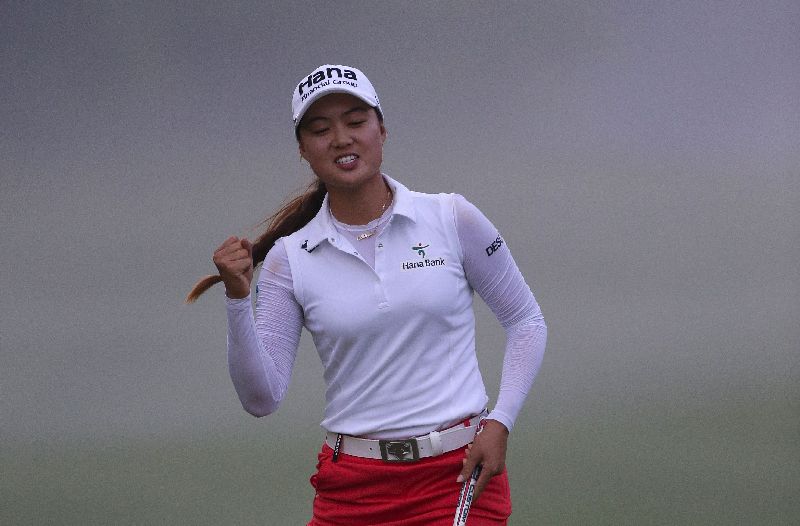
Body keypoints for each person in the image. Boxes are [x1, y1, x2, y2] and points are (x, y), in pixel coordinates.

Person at [187, 64, 547, 526]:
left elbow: (526, 321)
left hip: (456, 477)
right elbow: (261, 398)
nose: (341, 138)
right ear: (303, 150)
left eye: (356, 122)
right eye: (321, 130)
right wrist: (238, 300)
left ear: (382, 129)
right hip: (354, 490)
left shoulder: (451, 218)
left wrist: (501, 421)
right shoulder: (289, 259)